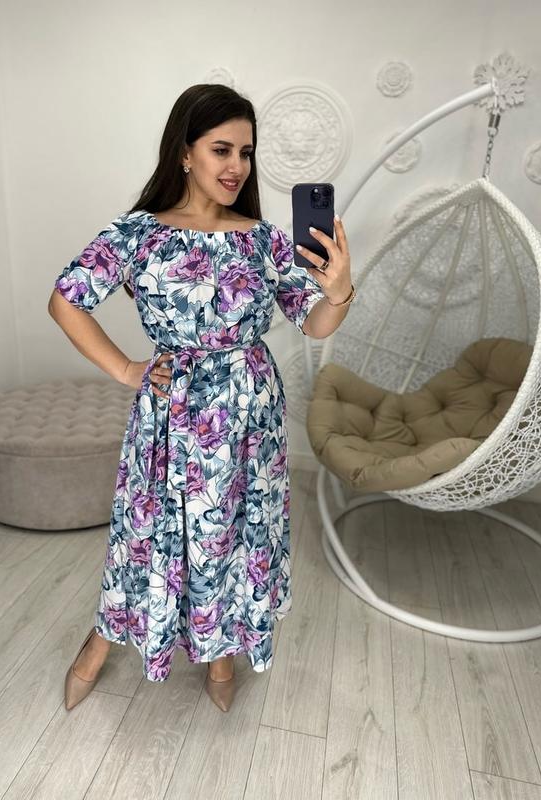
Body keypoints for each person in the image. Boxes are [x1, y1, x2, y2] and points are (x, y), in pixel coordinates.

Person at [48, 83, 354, 713]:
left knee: (237, 533)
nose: (237, 165)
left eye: (246, 151)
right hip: (173, 413)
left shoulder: (264, 239)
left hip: (250, 412)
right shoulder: (139, 233)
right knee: (148, 533)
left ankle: (220, 653)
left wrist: (340, 290)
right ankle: (102, 640)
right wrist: (127, 369)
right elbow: (65, 300)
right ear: (185, 153)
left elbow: (314, 322)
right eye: (222, 149)